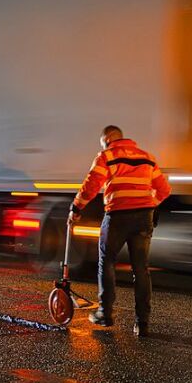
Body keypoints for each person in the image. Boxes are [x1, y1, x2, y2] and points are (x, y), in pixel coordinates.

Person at [68, 125, 171, 337]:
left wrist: (76, 208)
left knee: (106, 261)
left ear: (107, 140)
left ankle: (105, 314)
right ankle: (142, 323)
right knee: (141, 269)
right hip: (144, 217)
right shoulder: (147, 157)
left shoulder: (107, 155)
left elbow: (92, 185)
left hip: (118, 216)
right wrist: (150, 203)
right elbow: (164, 189)